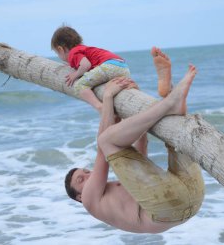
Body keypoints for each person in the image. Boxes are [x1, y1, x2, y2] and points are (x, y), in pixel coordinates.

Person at [64, 48, 205, 233]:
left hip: (190, 192)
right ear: (79, 197)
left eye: (86, 172)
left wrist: (134, 106)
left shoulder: (124, 187)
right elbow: (102, 149)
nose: (89, 176)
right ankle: (170, 101)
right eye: (81, 179)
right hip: (167, 209)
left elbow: (141, 146)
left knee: (175, 132)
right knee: (106, 141)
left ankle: (169, 95)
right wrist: (107, 96)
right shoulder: (90, 201)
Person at [51, 25, 130, 113]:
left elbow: (85, 65)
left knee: (80, 86)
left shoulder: (73, 53)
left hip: (109, 67)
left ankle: (100, 107)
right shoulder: (82, 49)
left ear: (60, 49)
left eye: (57, 53)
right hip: (123, 67)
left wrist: (75, 74)